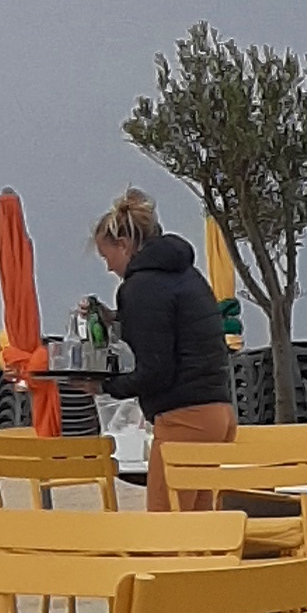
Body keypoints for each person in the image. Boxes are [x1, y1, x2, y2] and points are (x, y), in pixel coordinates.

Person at [91, 186, 234, 507]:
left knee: (165, 528)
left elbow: (155, 370)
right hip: (218, 413)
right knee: (200, 525)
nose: (109, 267)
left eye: (106, 256)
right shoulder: (186, 274)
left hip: (184, 419)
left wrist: (103, 386)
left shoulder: (140, 286)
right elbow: (170, 330)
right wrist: (114, 319)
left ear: (124, 245)